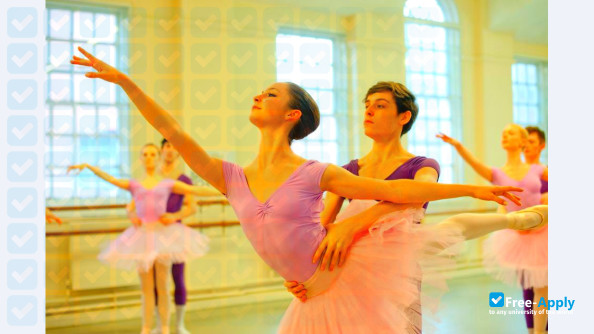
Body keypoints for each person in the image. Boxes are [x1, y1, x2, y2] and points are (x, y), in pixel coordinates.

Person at [71, 47, 543, 333]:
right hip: (312, 290)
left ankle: (514, 218)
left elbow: (396, 194)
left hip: (356, 270)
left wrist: (474, 190)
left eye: (271, 94)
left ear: (292, 115)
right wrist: (127, 84)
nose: (259, 95)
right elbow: (171, 128)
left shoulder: (317, 171)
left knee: (442, 230)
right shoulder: (229, 176)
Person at [67, 143, 218, 334]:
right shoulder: (134, 184)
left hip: (164, 237)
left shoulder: (167, 184)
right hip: (141, 238)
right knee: (147, 290)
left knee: (163, 287)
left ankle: (164, 328)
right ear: (140, 158)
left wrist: (227, 189)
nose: (148, 157)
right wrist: (89, 167)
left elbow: (196, 191)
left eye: (152, 154)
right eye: (145, 154)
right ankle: (146, 329)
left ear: (158, 158)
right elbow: (111, 180)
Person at [438, 125, 549, 334]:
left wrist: (546, 198)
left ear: (522, 142)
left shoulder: (537, 170)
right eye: (503, 133)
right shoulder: (497, 174)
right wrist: (458, 146)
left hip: (542, 232)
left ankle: (540, 332)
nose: (505, 136)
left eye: (511, 133)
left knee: (542, 287)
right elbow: (475, 165)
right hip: (518, 235)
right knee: (530, 287)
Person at [126, 139, 200, 334]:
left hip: (173, 233)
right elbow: (135, 202)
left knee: (177, 277)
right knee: (156, 283)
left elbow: (192, 207)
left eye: (174, 146)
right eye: (167, 146)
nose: (170, 150)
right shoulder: (153, 178)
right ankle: (160, 325)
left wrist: (174, 216)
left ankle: (179, 324)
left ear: (178, 152)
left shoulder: (184, 179)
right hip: (151, 234)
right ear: (162, 150)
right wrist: (134, 216)